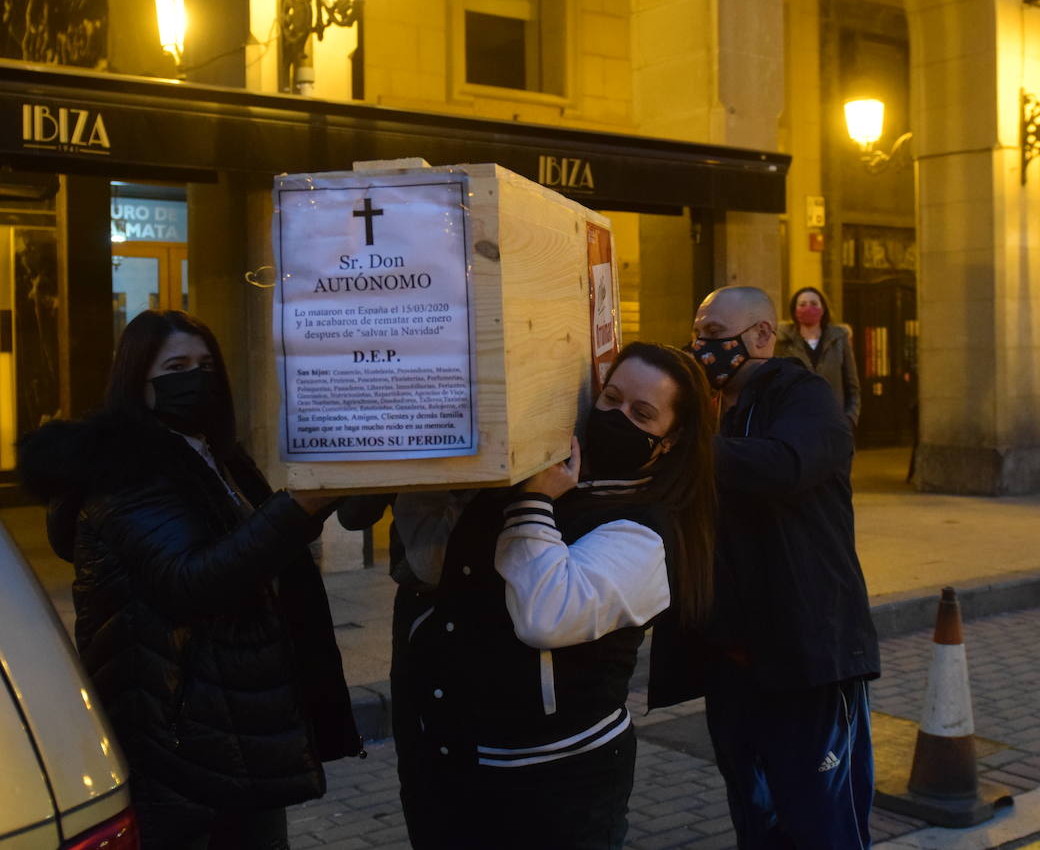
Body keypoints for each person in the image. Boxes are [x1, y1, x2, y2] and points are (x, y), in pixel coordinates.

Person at [342, 341, 717, 849]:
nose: (617, 416)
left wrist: (533, 501)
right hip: (458, 767)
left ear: (670, 440)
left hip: (555, 787)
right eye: (611, 398)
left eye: (642, 413)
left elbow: (545, 614)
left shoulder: (645, 529)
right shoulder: (565, 477)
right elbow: (442, 565)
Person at [18, 309, 359, 850]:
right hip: (179, 732)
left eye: (206, 365)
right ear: (136, 379)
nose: (196, 378)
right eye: (176, 366)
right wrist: (299, 507)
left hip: (230, 723)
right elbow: (191, 581)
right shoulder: (127, 471)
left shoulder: (214, 454)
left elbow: (259, 557)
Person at [688, 286, 880, 849]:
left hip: (809, 659)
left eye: (714, 336)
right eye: (697, 336)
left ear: (763, 336)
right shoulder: (714, 408)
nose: (702, 348)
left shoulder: (805, 395)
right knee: (758, 818)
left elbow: (787, 465)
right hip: (737, 666)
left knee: (822, 826)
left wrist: (684, 449)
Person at [773, 285, 861, 428]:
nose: (808, 308)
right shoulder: (783, 342)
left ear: (823, 308)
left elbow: (853, 387)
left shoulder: (838, 338)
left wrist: (849, 419)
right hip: (795, 424)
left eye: (814, 304)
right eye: (802, 304)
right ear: (795, 311)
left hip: (833, 425)